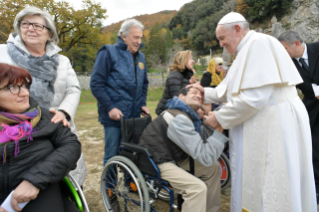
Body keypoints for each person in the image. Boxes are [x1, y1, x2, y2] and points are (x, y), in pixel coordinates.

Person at [189, 12, 317, 211]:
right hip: (270, 118)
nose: (221, 44)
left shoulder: (258, 44)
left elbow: (255, 97)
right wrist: (204, 93)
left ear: (237, 30)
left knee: (273, 183)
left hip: (277, 123)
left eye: (222, 38)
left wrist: (220, 118)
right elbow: (232, 88)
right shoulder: (248, 47)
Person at [0, 6, 86, 186]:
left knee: (65, 170)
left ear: (49, 33)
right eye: (25, 24)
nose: (30, 28)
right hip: (14, 133)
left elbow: (73, 89)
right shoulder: (3, 54)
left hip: (56, 123)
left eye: (37, 26)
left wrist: (64, 112)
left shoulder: (62, 61)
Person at [0, 63, 81, 212]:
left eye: (24, 86)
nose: (24, 93)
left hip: (41, 189)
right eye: (13, 87)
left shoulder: (45, 118)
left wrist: (34, 181)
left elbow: (71, 146)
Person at [139, 87, 227, 212]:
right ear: (181, 97)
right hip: (157, 161)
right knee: (197, 188)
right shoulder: (179, 118)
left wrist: (207, 115)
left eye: (200, 95)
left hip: (173, 156)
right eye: (193, 92)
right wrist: (220, 127)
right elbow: (206, 156)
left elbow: (201, 147)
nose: (198, 95)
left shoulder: (188, 115)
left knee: (211, 168)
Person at [90, 19, 149, 166]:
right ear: (123, 36)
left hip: (134, 117)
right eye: (135, 37)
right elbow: (96, 84)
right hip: (114, 118)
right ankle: (110, 188)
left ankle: (131, 187)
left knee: (133, 154)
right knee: (112, 155)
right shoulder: (108, 52)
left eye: (140, 38)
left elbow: (144, 84)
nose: (139, 41)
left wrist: (142, 103)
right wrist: (110, 108)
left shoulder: (141, 57)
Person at [278, 30, 319, 200]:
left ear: (296, 43)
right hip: (311, 110)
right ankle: (316, 189)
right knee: (314, 151)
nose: (283, 54)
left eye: (285, 49)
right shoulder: (288, 63)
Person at [156, 50, 195, 115]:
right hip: (168, 113)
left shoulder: (184, 76)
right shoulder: (175, 75)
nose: (193, 61)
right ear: (183, 60)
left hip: (176, 112)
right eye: (190, 58)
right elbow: (177, 99)